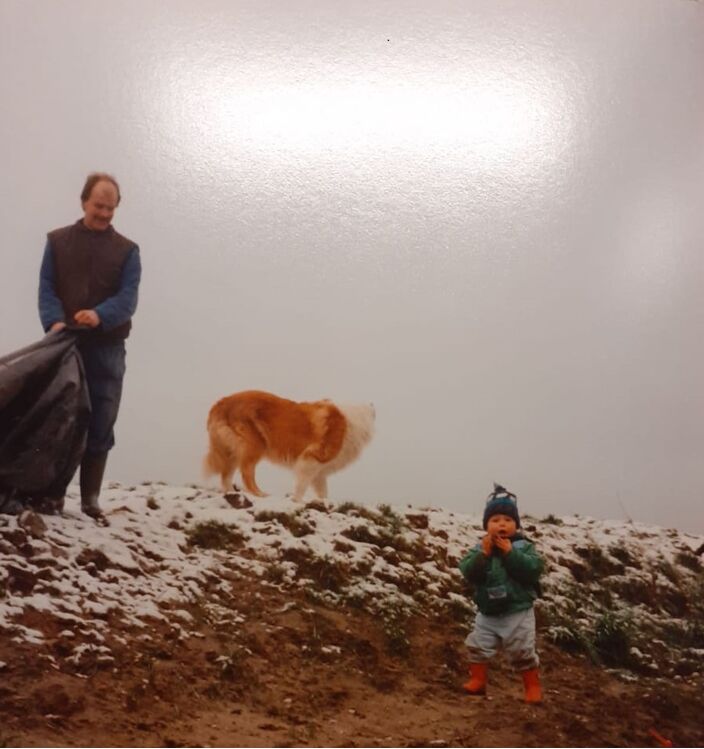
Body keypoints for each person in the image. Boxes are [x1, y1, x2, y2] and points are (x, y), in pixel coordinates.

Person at [38, 172, 141, 521]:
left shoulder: (128, 251)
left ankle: (90, 500)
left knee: (101, 422)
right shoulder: (56, 241)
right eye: (99, 205)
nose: (104, 213)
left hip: (108, 350)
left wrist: (99, 315)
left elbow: (128, 299)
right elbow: (47, 287)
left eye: (111, 208)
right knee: (59, 420)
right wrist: (53, 321)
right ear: (84, 201)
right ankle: (51, 496)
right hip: (63, 346)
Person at [458, 483, 544, 703]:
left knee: (522, 651)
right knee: (477, 644)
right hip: (488, 612)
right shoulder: (480, 548)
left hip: (517, 611)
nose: (501, 525)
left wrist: (510, 554)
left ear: (516, 524)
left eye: (507, 520)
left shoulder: (524, 547)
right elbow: (468, 572)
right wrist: (483, 556)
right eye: (495, 521)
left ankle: (532, 687)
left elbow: (533, 571)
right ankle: (478, 682)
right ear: (487, 525)